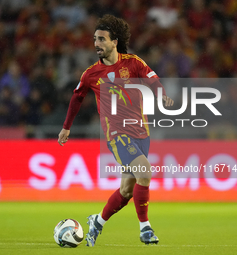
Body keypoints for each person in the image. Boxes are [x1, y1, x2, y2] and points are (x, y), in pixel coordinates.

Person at [57, 14, 174, 246]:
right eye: (94, 39)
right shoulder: (91, 74)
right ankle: (145, 229)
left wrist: (162, 94)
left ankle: (97, 221)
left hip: (141, 131)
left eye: (101, 39)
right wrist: (66, 127)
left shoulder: (133, 63)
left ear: (114, 42)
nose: (96, 44)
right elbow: (76, 98)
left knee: (127, 191)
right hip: (116, 133)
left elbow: (153, 80)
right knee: (145, 172)